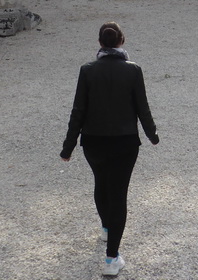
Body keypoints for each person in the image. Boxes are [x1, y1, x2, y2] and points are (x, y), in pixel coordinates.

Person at [61, 22, 159, 277]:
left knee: (101, 183)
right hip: (125, 142)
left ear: (100, 43)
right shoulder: (133, 71)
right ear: (121, 42)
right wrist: (152, 134)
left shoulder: (87, 70)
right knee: (118, 194)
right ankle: (111, 258)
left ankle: (106, 228)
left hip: (93, 141)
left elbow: (78, 111)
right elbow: (142, 107)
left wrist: (68, 147)